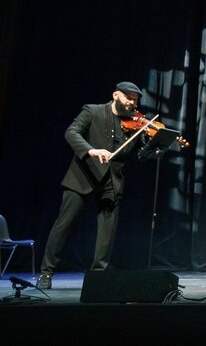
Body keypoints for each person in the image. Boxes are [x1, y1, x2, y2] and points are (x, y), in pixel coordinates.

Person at [36, 82, 156, 289]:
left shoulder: (136, 122)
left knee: (107, 230)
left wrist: (153, 147)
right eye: (128, 98)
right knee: (64, 225)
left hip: (112, 180)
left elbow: (139, 155)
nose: (131, 103)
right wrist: (92, 151)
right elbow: (72, 133)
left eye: (135, 100)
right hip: (83, 176)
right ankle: (46, 273)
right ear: (115, 95)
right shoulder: (92, 111)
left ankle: (98, 276)